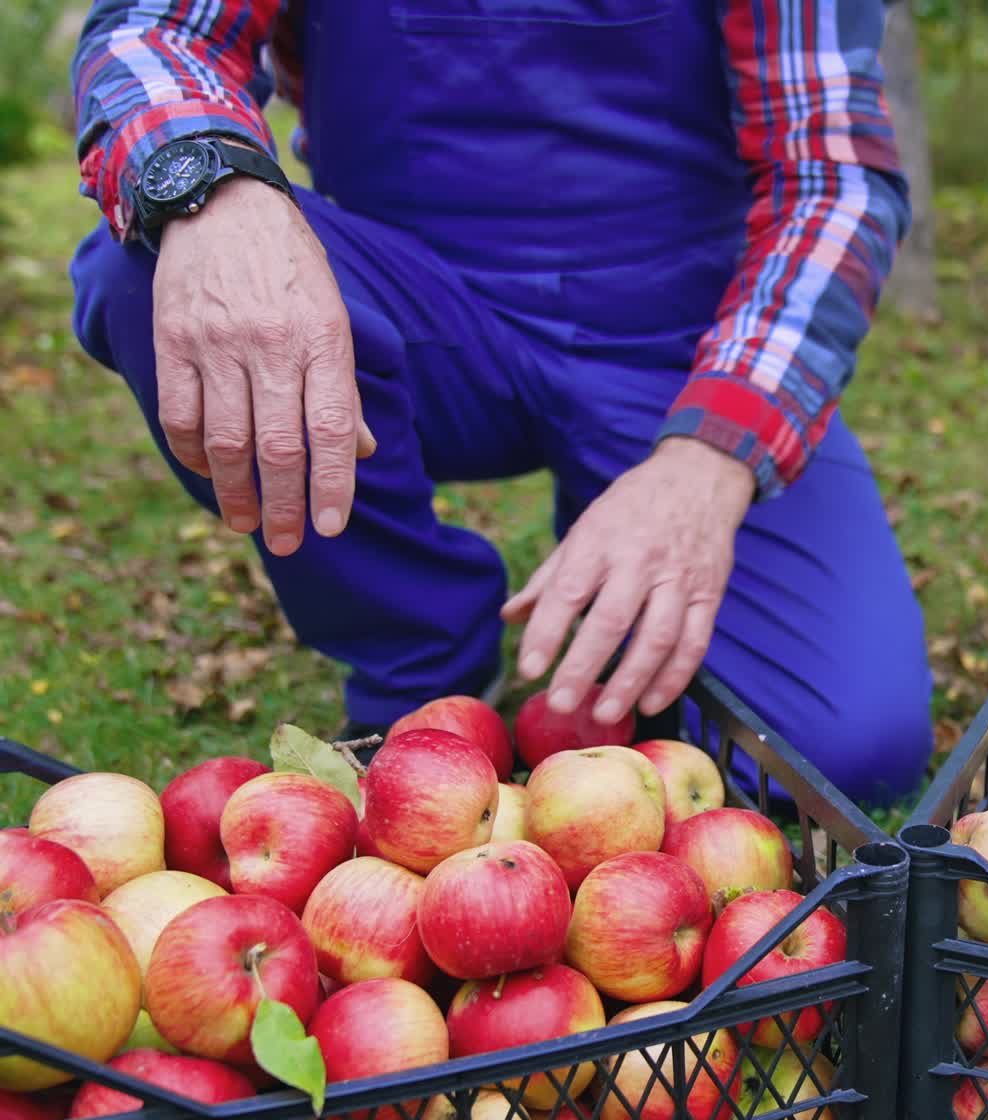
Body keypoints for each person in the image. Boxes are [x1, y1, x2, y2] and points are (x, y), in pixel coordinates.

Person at [67, 0, 932, 807]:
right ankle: (422, 653)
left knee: (843, 749)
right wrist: (215, 190)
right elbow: (158, 31)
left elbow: (833, 181)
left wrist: (713, 460)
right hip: (415, 313)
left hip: (687, 345)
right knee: (153, 257)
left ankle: (627, 594)